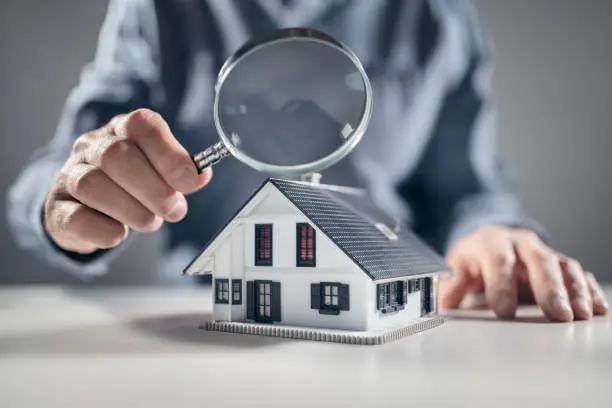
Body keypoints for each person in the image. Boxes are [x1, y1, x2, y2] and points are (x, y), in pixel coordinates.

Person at [7, 0, 608, 321]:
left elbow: (468, 193)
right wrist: (67, 199)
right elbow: (59, 167)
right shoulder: (155, 9)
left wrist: (488, 234)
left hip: (389, 334)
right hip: (198, 324)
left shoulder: (436, 15)